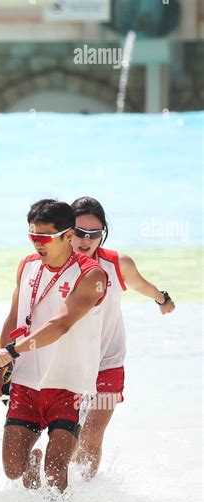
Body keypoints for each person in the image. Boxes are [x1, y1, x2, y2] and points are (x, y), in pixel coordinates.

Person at [0, 199, 108, 493]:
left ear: (69, 236)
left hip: (68, 384)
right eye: (32, 236)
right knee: (13, 470)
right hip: (27, 382)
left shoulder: (92, 275)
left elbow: (61, 324)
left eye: (44, 238)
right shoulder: (27, 266)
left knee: (56, 473)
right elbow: (13, 317)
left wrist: (13, 351)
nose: (37, 244)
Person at [70, 196, 175, 477]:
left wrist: (162, 299)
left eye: (94, 234)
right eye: (79, 232)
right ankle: (61, 492)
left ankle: (86, 493)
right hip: (67, 366)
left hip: (108, 363)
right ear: (67, 230)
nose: (86, 240)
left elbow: (140, 284)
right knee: (67, 435)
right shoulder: (55, 266)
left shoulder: (116, 263)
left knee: (92, 433)